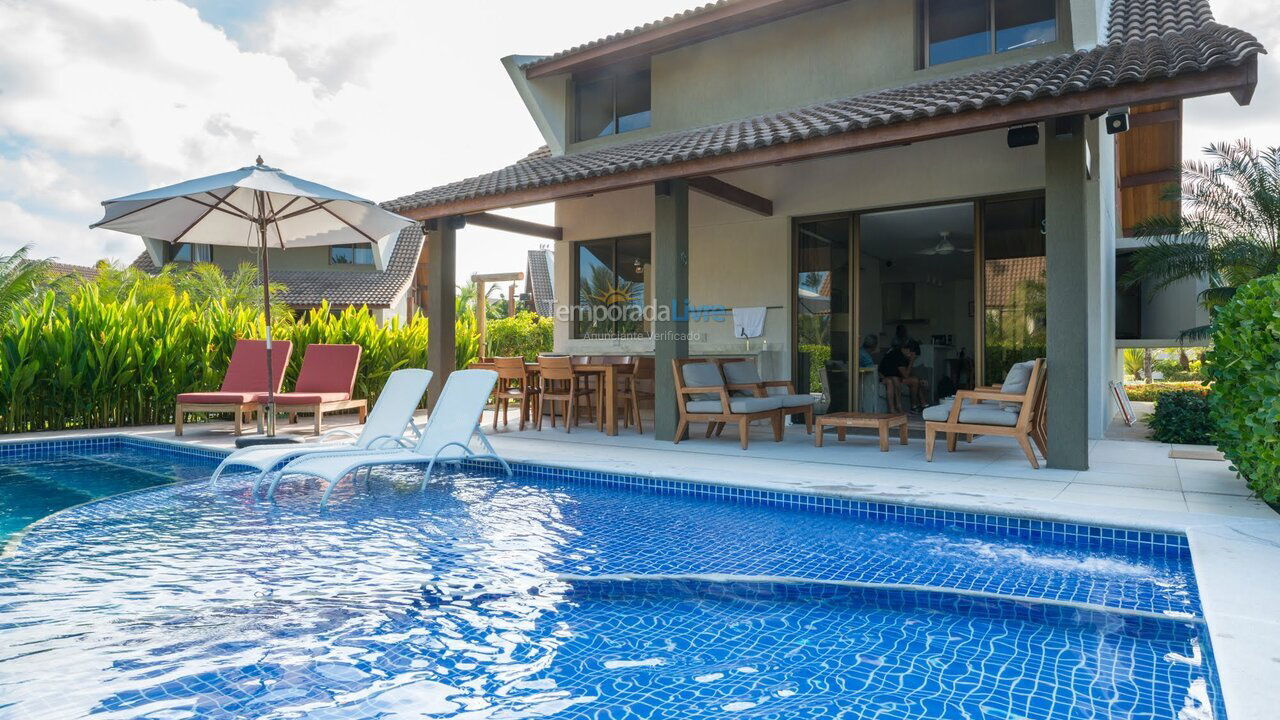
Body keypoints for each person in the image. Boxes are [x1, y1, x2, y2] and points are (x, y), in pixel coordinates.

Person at [878, 342, 924, 414]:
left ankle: (913, 407)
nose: (912, 357)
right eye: (912, 355)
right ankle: (898, 407)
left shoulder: (904, 356)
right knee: (895, 380)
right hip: (885, 376)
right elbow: (905, 375)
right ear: (908, 350)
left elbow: (908, 374)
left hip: (897, 377)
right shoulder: (897, 355)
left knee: (915, 381)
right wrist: (911, 361)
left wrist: (920, 379)